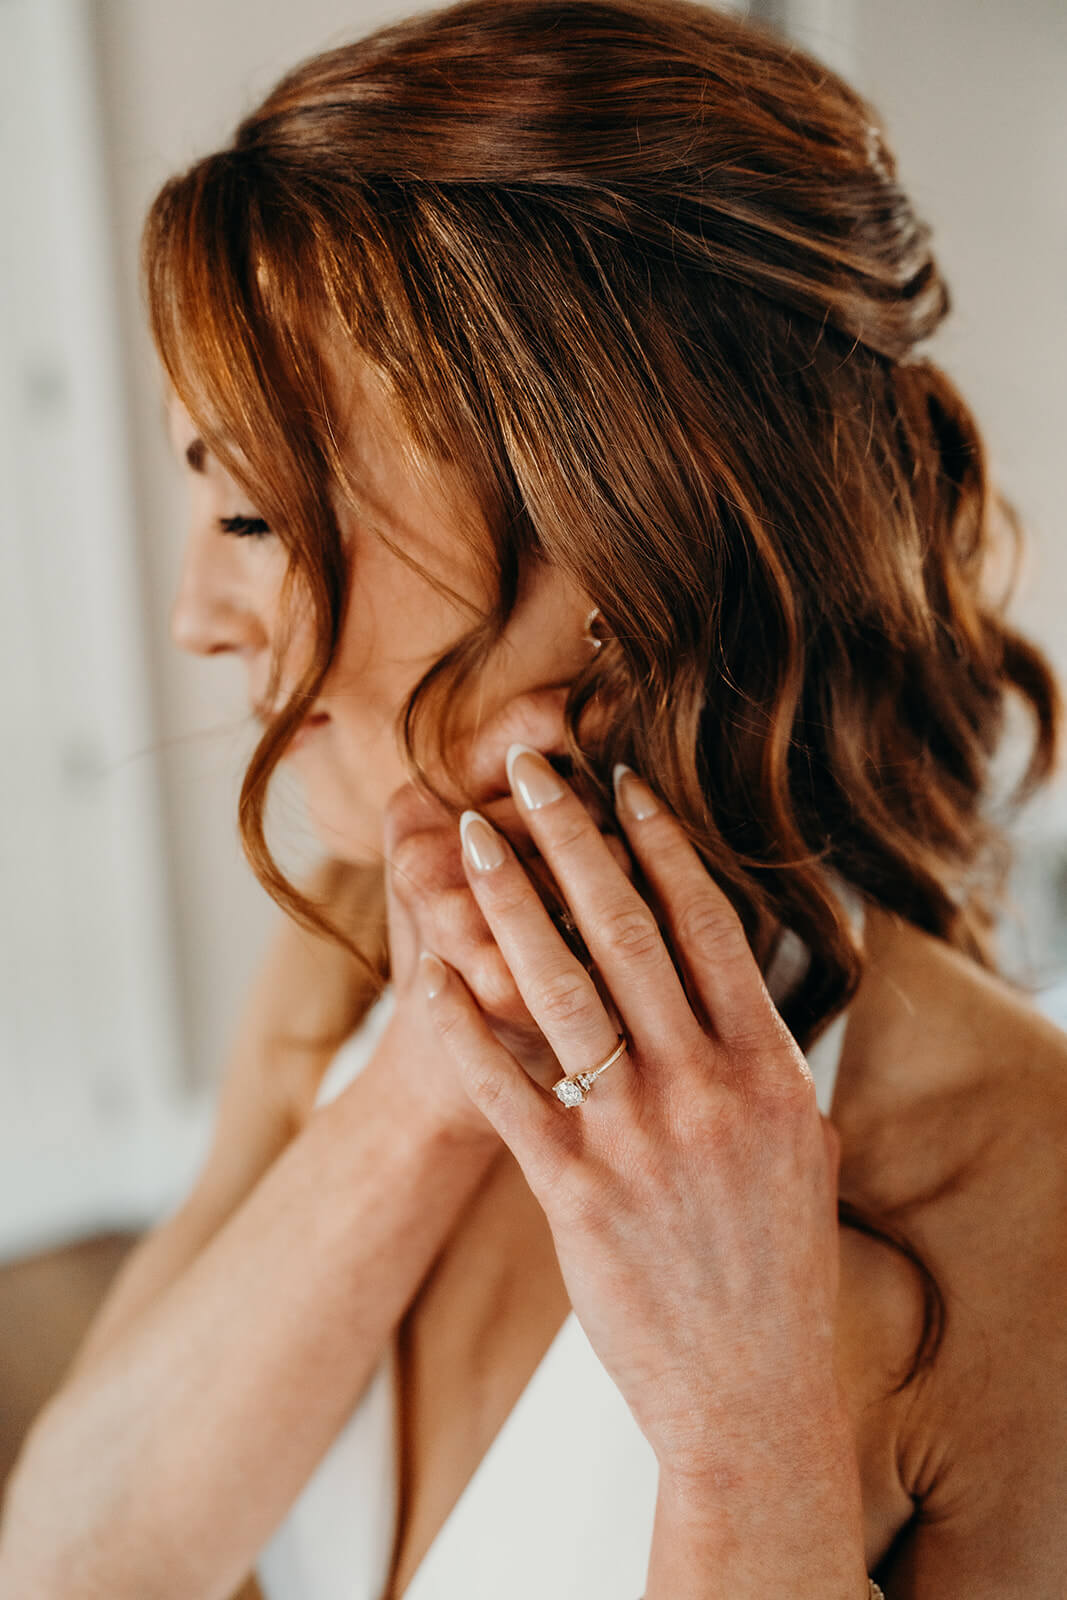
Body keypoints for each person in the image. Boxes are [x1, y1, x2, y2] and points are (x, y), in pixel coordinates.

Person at [2, 0, 1066, 1594]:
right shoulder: (354, 955)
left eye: (252, 518)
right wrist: (427, 1084)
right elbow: (70, 1566)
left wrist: (742, 1429)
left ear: (617, 562)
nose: (194, 618)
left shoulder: (1018, 1176)